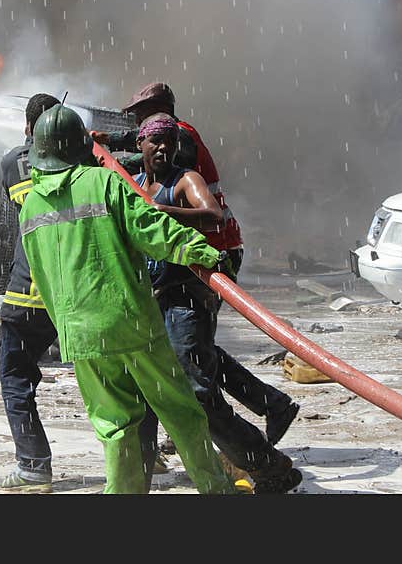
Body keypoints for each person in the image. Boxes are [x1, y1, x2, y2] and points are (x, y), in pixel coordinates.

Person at [19, 103, 235, 494]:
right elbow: (152, 229)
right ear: (81, 145)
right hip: (130, 322)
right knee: (181, 412)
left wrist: (68, 327)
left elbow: (43, 276)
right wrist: (205, 254)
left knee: (115, 426)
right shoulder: (103, 183)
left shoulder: (31, 206)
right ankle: (218, 491)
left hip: (81, 337)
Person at [92, 81, 299, 449]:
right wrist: (105, 143)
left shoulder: (180, 141)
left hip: (208, 257)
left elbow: (200, 206)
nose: (152, 139)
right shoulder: (152, 160)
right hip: (181, 262)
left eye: (141, 117)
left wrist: (112, 153)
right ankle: (268, 405)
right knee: (185, 350)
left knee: (190, 351)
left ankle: (252, 442)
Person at [131, 111, 301, 493]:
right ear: (140, 144)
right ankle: (136, 479)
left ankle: (269, 465)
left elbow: (212, 215)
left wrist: (165, 212)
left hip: (186, 298)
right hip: (151, 299)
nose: (163, 147)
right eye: (155, 140)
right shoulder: (134, 183)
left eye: (169, 141)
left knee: (198, 391)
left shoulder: (183, 181)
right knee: (146, 387)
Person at [0, 93, 61, 493]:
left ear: (28, 129)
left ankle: (34, 467)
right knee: (116, 378)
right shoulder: (90, 170)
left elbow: (7, 225)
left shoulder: (12, 163)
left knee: (16, 376)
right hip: (80, 295)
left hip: (29, 293)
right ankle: (145, 455)